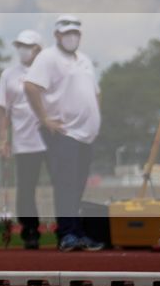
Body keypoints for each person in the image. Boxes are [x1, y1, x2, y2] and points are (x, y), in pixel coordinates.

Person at [24, 14, 104, 252]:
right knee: (65, 184)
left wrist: (94, 117)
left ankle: (77, 232)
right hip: (64, 132)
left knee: (77, 185)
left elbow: (95, 91)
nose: (72, 36)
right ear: (57, 34)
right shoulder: (48, 57)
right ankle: (67, 233)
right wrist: (44, 118)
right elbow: (30, 86)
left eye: (76, 32)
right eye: (67, 32)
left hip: (85, 134)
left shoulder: (85, 60)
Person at [0, 30, 49, 249]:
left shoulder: (50, 72)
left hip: (52, 139)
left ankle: (69, 230)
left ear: (38, 49)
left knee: (64, 186)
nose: (22, 50)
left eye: (27, 46)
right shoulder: (8, 74)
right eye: (20, 46)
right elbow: (1, 110)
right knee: (26, 189)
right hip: (25, 141)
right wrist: (2, 139)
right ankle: (30, 231)